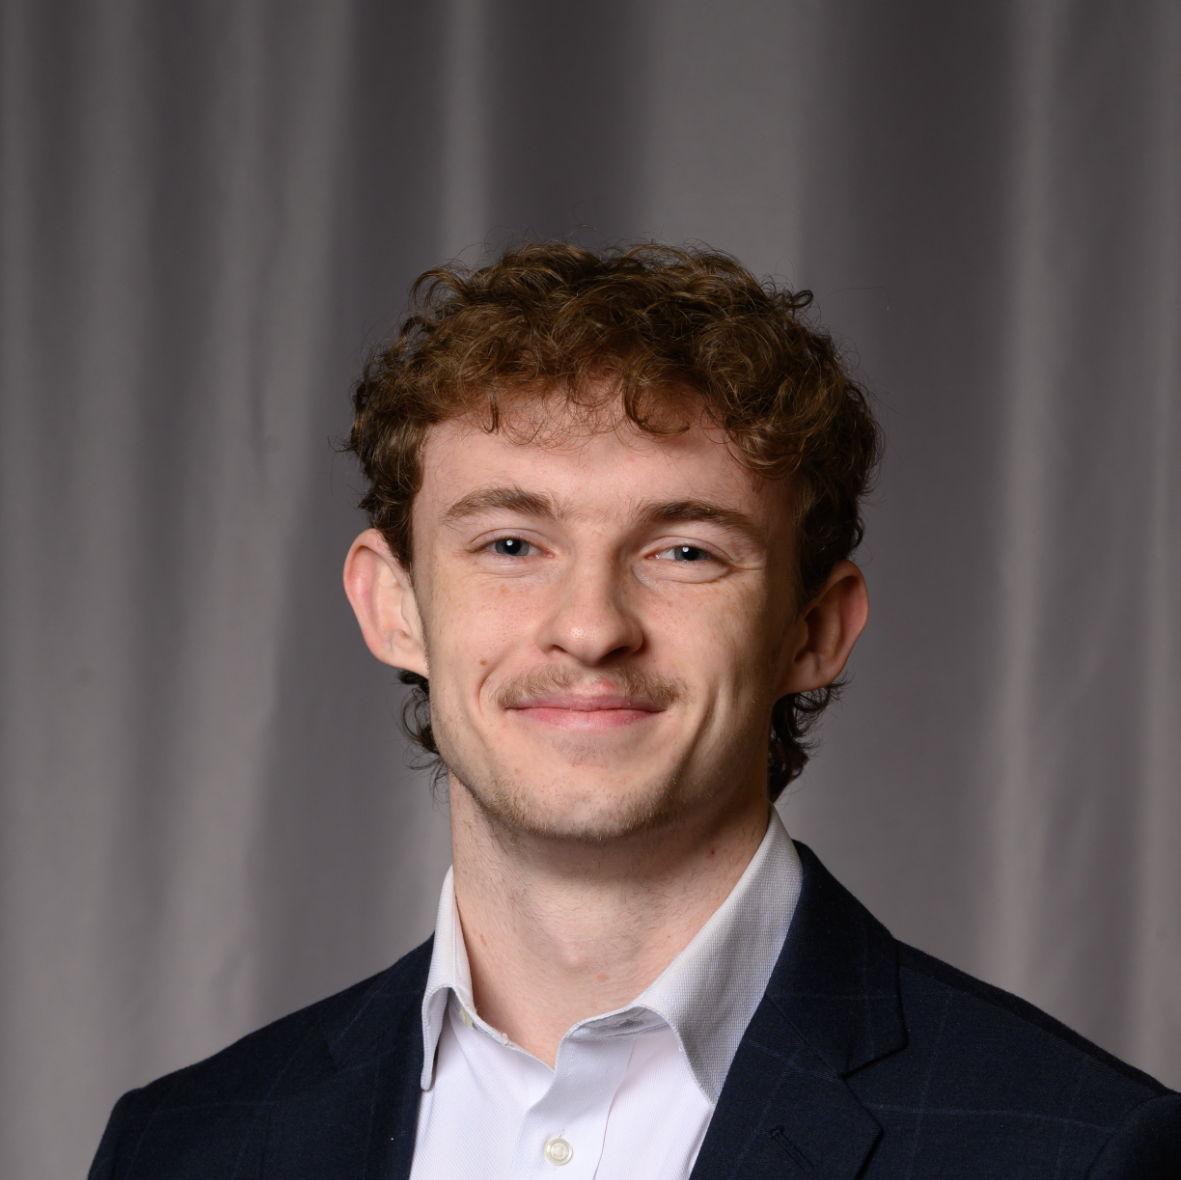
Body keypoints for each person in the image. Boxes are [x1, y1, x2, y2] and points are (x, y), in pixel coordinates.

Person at [89, 243, 1180, 1178]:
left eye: (684, 551)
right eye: (510, 543)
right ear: (394, 605)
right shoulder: (180, 1146)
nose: (589, 628)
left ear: (812, 630)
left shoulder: (1082, 1150)